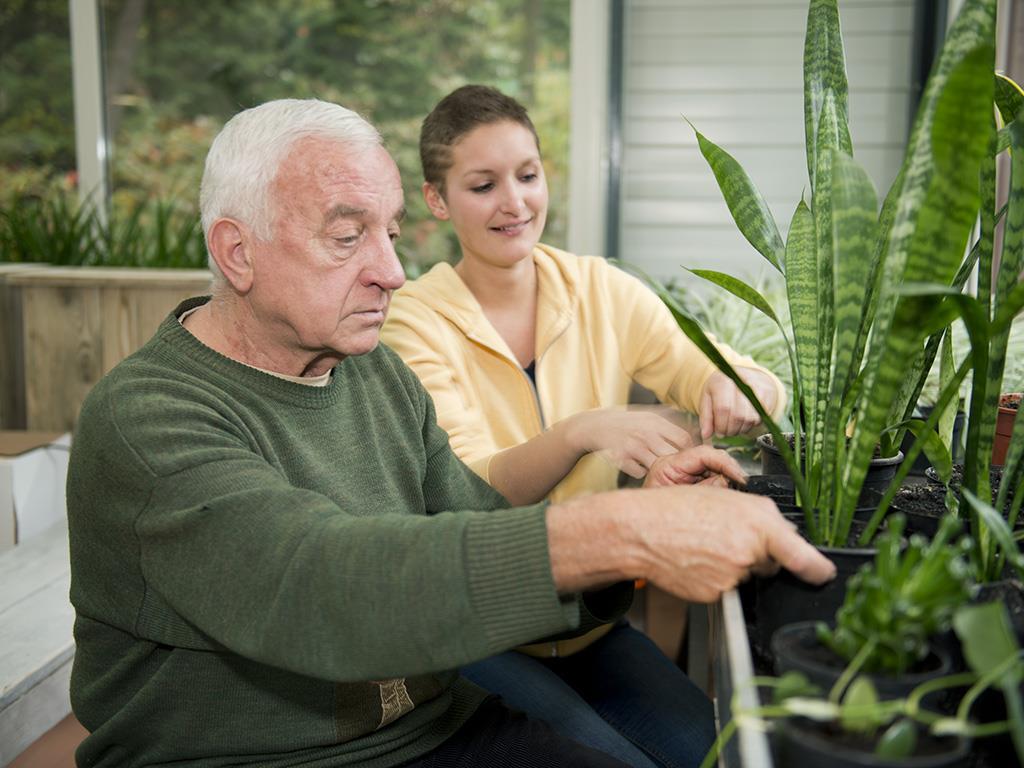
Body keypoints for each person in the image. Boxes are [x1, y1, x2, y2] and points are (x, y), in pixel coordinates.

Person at [66, 98, 834, 768]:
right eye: (347, 237)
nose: (391, 272)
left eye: (390, 234)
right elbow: (317, 585)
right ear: (238, 252)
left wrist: (639, 519)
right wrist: (622, 533)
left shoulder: (374, 376)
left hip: (433, 726)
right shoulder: (145, 420)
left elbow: (487, 526)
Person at [380, 84, 787, 768]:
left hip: (593, 629)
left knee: (725, 756)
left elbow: (740, 376)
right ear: (437, 200)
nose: (514, 202)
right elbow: (474, 490)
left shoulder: (603, 290)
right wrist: (583, 431)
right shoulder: (412, 321)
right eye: (483, 185)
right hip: (480, 640)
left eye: (528, 176)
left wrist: (733, 384)